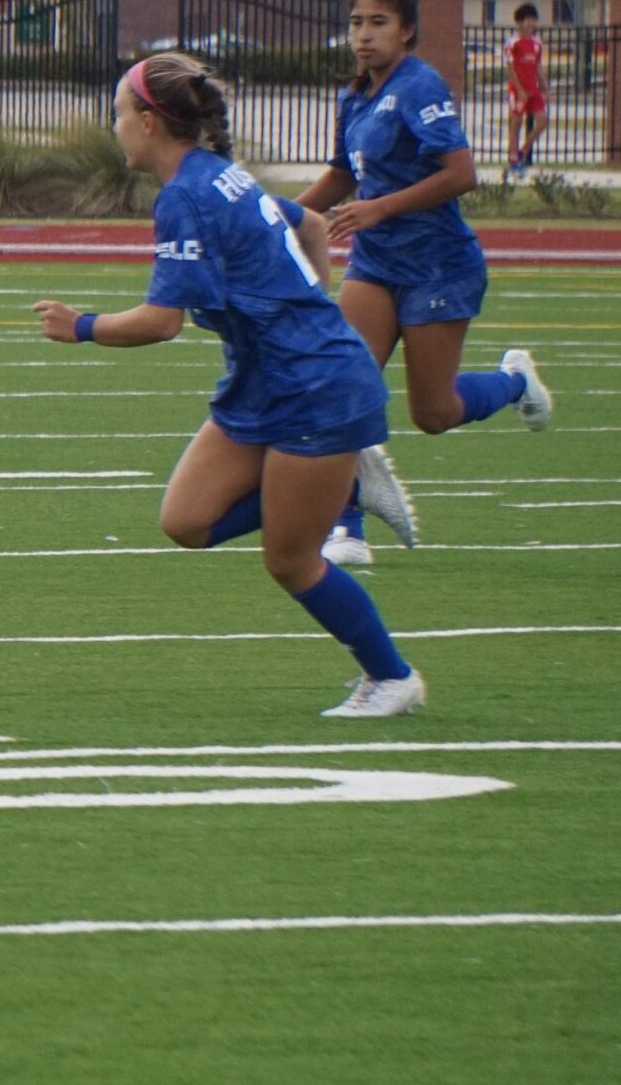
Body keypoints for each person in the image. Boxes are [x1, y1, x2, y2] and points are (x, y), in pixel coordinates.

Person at [32, 52, 426, 718]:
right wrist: (309, 299)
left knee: (291, 559)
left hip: (313, 387)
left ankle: (392, 678)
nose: (115, 125)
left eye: (120, 112)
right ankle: (344, 483)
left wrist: (83, 326)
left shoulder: (187, 194)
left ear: (152, 123)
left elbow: (162, 323)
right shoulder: (216, 175)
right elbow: (304, 224)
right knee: (186, 520)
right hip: (265, 379)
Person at [294, 0, 554, 566]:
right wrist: (278, 214)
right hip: (376, 262)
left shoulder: (419, 85)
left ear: (407, 30)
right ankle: (347, 529)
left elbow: (462, 173)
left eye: (378, 22)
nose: (363, 34)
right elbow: (342, 175)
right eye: (357, 22)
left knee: (432, 413)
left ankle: (515, 381)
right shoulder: (355, 95)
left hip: (438, 267)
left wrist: (377, 208)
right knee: (339, 383)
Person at [504, 2, 546, 179]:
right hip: (518, 90)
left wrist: (545, 87)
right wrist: (519, 89)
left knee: (542, 122)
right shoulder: (513, 43)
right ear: (520, 22)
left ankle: (523, 150)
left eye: (533, 20)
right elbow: (511, 67)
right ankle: (513, 157)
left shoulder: (537, 43)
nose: (530, 24)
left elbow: (537, 66)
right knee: (516, 122)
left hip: (533, 89)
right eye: (527, 20)